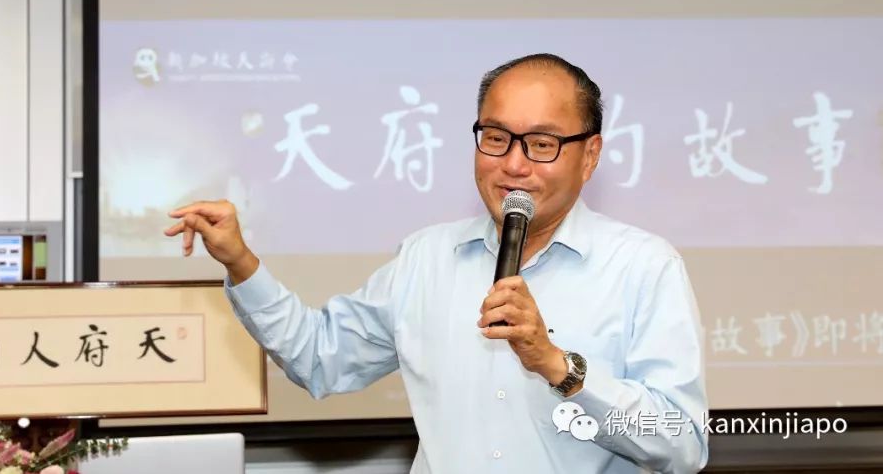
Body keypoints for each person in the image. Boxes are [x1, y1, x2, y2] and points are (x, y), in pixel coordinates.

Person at [165, 53, 709, 474]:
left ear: (589, 155)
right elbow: (319, 358)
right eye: (495, 138)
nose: (513, 164)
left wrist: (557, 365)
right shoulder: (426, 259)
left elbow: (682, 444)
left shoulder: (643, 267)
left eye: (541, 144)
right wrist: (241, 262)